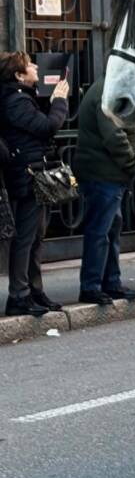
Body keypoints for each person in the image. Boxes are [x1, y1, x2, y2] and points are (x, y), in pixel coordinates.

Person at [0, 52, 68, 316]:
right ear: (18, 75)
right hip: (27, 176)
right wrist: (59, 101)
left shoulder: (21, 97)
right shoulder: (15, 101)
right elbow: (48, 127)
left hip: (35, 175)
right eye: (29, 65)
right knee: (26, 238)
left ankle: (34, 290)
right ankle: (19, 295)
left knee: (37, 236)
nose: (36, 66)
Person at [72, 77, 135, 305]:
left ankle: (110, 283)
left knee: (110, 230)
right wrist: (132, 164)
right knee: (100, 231)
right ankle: (92, 287)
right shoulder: (107, 91)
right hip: (103, 174)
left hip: (106, 174)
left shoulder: (108, 88)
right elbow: (113, 136)